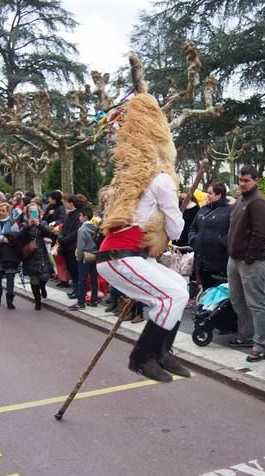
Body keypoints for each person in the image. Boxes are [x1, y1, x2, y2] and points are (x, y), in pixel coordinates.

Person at [96, 90, 190, 383]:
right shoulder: (161, 179)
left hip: (122, 255)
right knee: (171, 297)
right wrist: (168, 218)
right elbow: (176, 230)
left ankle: (161, 351)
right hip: (120, 257)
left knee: (179, 288)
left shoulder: (128, 178)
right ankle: (141, 358)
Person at [227, 165, 265, 362]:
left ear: (256, 180)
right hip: (234, 259)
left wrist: (249, 256)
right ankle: (246, 336)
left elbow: (260, 233)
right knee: (237, 299)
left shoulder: (258, 202)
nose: (243, 183)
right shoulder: (241, 200)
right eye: (241, 180)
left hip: (250, 261)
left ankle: (261, 345)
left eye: (247, 180)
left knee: (256, 302)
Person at [188, 182, 232, 292]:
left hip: (219, 262)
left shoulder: (229, 211)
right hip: (201, 261)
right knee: (206, 290)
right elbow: (192, 228)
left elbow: (233, 232)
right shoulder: (203, 209)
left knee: (218, 293)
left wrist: (221, 241)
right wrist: (194, 239)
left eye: (210, 193)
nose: (207, 195)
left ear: (219, 195)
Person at [18, 202, 54, 311]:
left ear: (38, 213)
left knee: (45, 276)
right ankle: (37, 301)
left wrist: (38, 224)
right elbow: (20, 237)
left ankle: (42, 287)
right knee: (34, 280)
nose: (32, 214)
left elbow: (49, 234)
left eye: (35, 211)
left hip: (42, 253)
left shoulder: (43, 223)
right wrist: (28, 226)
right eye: (30, 212)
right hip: (30, 255)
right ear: (27, 213)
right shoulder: (24, 225)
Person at [71, 207, 100, 310]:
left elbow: (80, 246)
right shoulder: (96, 227)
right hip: (95, 254)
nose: (79, 217)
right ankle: (94, 300)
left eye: (80, 215)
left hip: (85, 256)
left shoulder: (82, 229)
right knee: (94, 279)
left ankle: (81, 302)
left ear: (85, 217)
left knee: (82, 280)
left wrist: (79, 257)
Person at [59, 194, 83, 300]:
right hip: (66, 246)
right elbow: (64, 228)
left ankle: (78, 291)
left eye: (65, 202)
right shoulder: (69, 215)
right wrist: (61, 236)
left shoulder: (78, 215)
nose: (64, 204)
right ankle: (75, 290)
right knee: (71, 270)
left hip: (72, 246)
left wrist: (65, 239)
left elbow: (77, 231)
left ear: (70, 203)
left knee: (75, 270)